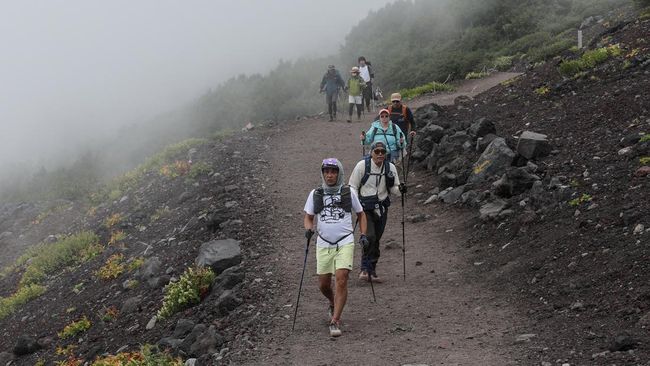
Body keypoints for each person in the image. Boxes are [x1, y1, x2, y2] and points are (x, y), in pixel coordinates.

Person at [304, 158, 368, 337]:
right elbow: (309, 217)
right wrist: (309, 229)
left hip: (345, 241)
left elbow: (361, 214)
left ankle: (335, 320)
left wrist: (363, 235)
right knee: (324, 284)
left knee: (341, 278)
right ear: (323, 173)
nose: (330, 175)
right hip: (323, 242)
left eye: (333, 171)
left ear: (339, 173)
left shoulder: (348, 192)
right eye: (326, 171)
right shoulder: (315, 194)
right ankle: (332, 301)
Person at [349, 142, 406, 283]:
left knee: (376, 240)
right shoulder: (362, 166)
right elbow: (352, 186)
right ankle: (364, 269)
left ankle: (372, 270)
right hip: (365, 209)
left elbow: (393, 188)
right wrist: (357, 206)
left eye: (383, 151)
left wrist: (401, 190)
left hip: (382, 208)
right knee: (369, 237)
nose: (380, 154)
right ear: (371, 152)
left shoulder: (390, 167)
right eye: (377, 151)